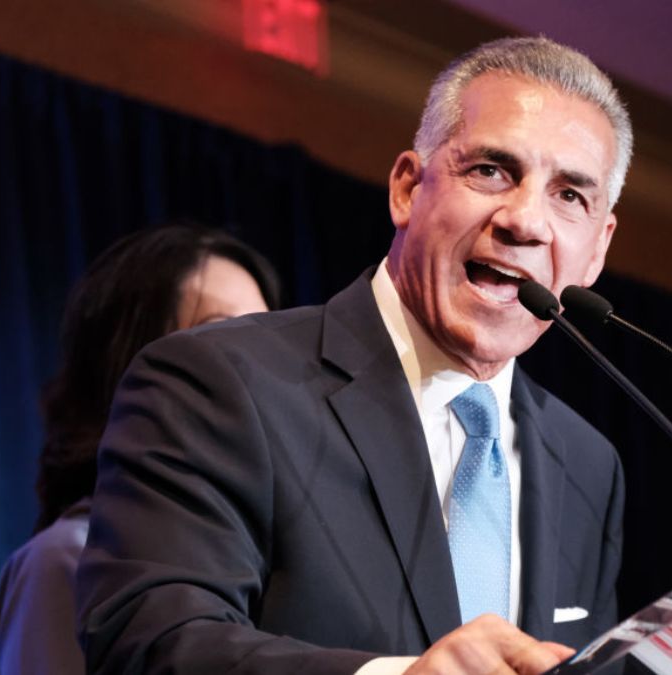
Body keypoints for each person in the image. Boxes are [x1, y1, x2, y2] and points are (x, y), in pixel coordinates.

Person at [78, 35, 633, 675]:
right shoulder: (221, 382)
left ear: (597, 250)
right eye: (490, 170)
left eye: (570, 196)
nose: (525, 221)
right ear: (407, 189)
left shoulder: (586, 464)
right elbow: (149, 642)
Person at [0, 223, 280, 675]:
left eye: (265, 337)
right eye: (222, 335)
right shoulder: (67, 559)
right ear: (131, 363)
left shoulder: (275, 555)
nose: (256, 364)